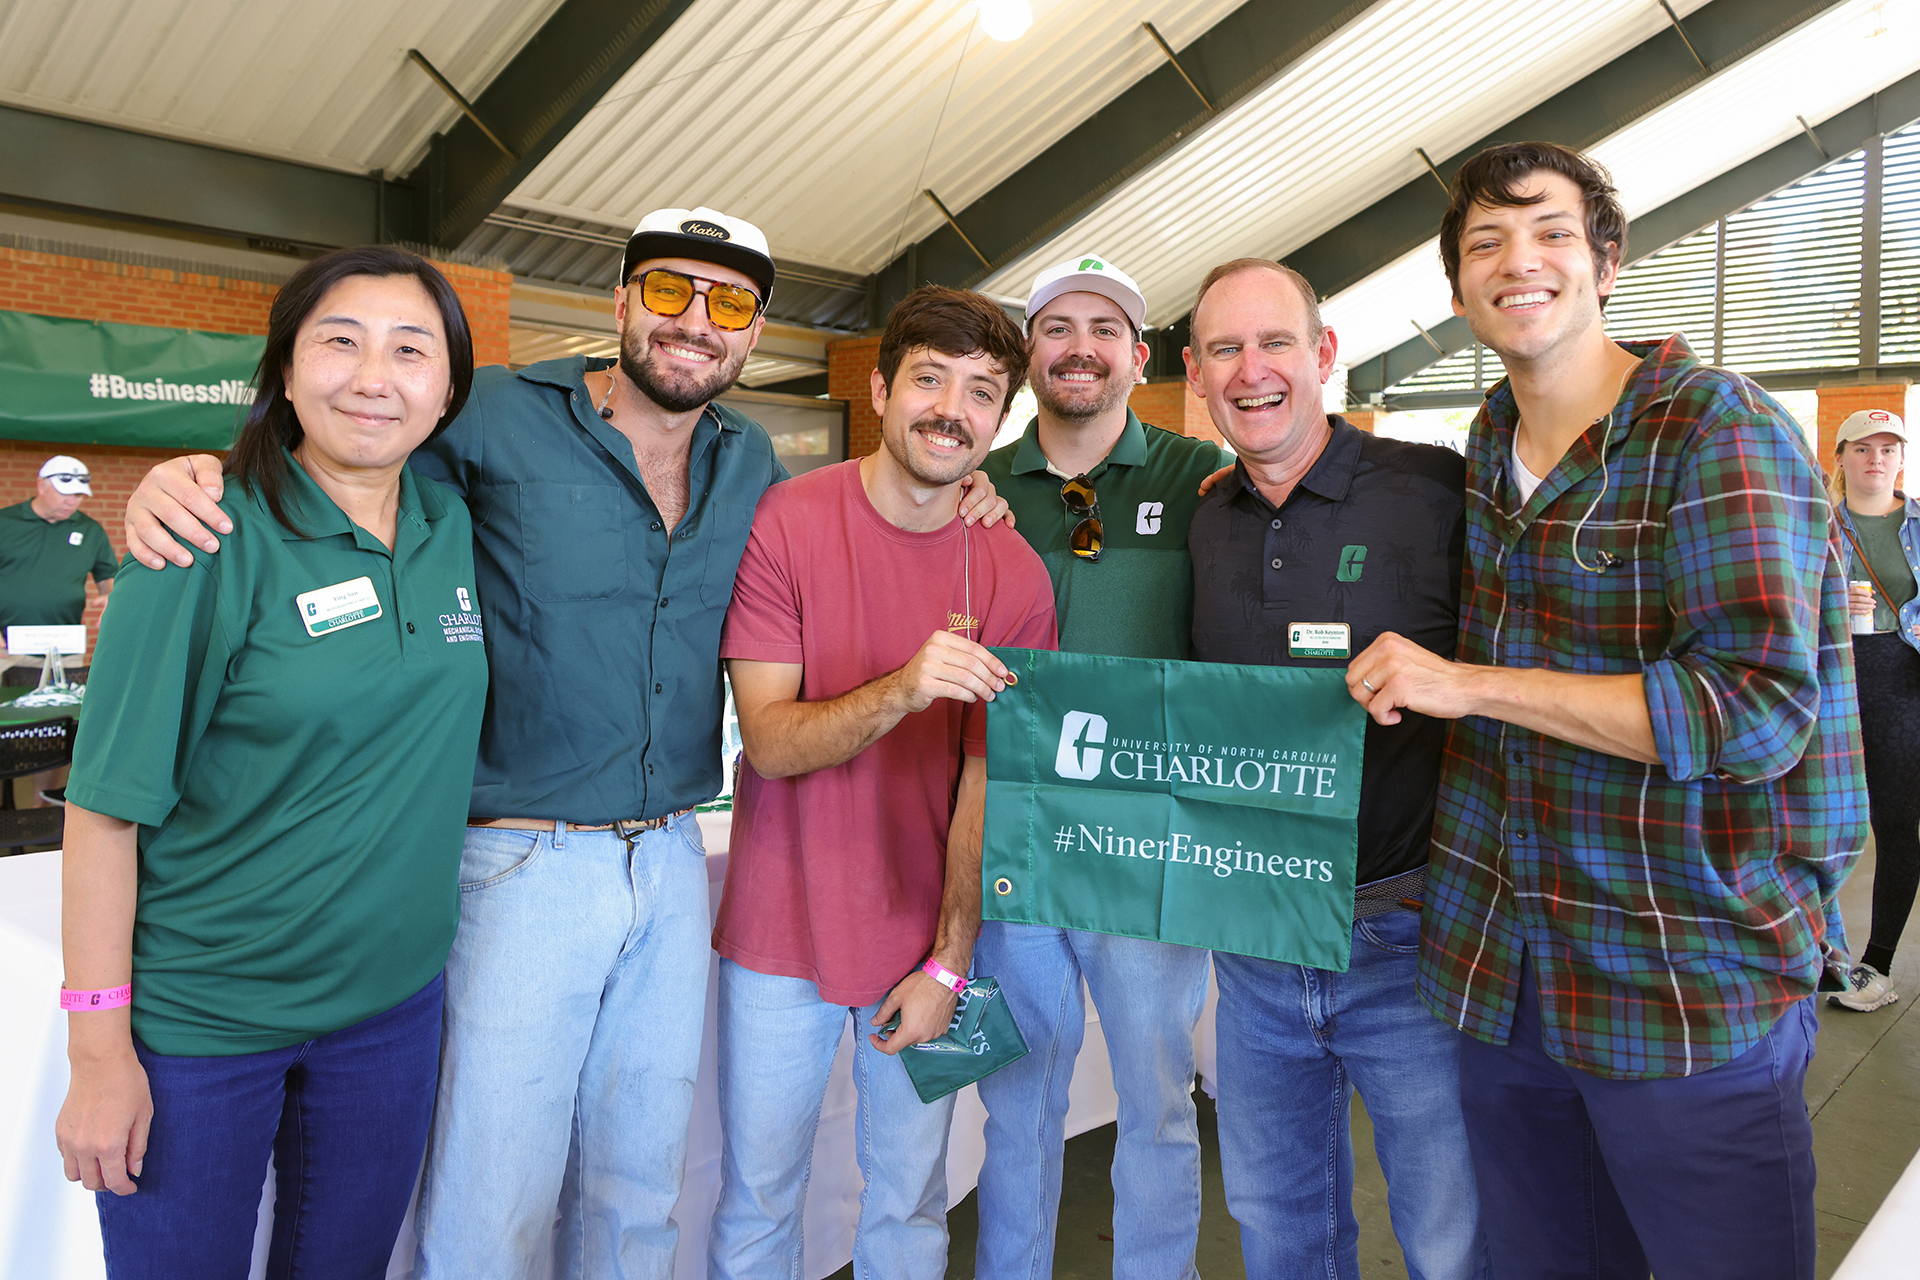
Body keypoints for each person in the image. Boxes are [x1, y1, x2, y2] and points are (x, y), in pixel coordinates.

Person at [118, 207, 1008, 1279]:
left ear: (755, 333)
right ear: (621, 301)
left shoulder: (752, 461)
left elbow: (863, 519)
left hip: (675, 860)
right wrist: (201, 473)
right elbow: (349, 444)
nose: (696, 321)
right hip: (519, 862)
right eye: (670, 289)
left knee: (639, 1196)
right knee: (495, 1200)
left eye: (730, 303)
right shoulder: (495, 410)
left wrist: (970, 489)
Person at [1350, 141, 1864, 1280]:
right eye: (1485, 243)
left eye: (1549, 232)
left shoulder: (1711, 430)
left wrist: (1471, 684)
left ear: (1607, 263)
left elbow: (1754, 710)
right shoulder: (1485, 444)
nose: (1517, 260)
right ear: (1456, 290)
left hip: (1682, 984)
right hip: (1507, 975)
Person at [53, 246, 488, 1277]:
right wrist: (99, 1049)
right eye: (339, 341)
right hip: (206, 1024)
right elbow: (103, 809)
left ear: (447, 391)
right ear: (285, 372)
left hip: (390, 1016)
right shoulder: (201, 537)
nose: (373, 376)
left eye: (410, 349)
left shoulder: (449, 525)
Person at [711, 285, 1056, 1280]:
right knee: (757, 1205)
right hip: (779, 939)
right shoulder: (788, 520)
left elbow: (991, 779)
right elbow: (770, 742)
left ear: (1001, 418)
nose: (952, 409)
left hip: (921, 947)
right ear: (880, 387)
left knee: (906, 1207)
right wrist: (905, 687)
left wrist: (950, 960)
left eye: (982, 392)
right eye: (930, 379)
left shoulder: (1016, 574)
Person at [1179, 257, 1487, 1279]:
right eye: (1224, 348)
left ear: (1322, 355)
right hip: (1257, 950)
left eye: (1274, 343)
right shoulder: (1209, 519)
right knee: (1278, 1228)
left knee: (1452, 1234)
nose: (1250, 369)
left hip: (1410, 944)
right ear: (1194, 369)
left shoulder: (1436, 493)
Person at [971, 255, 1229, 1280]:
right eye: (1057, 326)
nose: (1079, 345)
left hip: (1145, 851)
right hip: (1016, 847)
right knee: (1017, 1097)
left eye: (1104, 326)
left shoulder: (1202, 477)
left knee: (1158, 1102)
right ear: (1029, 351)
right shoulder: (975, 486)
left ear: (1140, 352)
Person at [1829, 408, 1920, 1012]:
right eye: (1863, 448)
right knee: (1816, 818)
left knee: (1896, 823)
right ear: (1840, 457)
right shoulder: (1816, 523)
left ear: (1901, 459)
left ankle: (1877, 966)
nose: (1876, 458)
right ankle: (1815, 952)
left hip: (1902, 682)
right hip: (1831, 677)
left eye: (1888, 448)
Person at [0, 455, 118, 633]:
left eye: (78, 495)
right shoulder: (5, 522)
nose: (71, 501)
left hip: (65, 645)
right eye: (64, 493)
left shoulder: (90, 530)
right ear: (41, 485)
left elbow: (107, 575)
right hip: (6, 649)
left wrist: (110, 595)